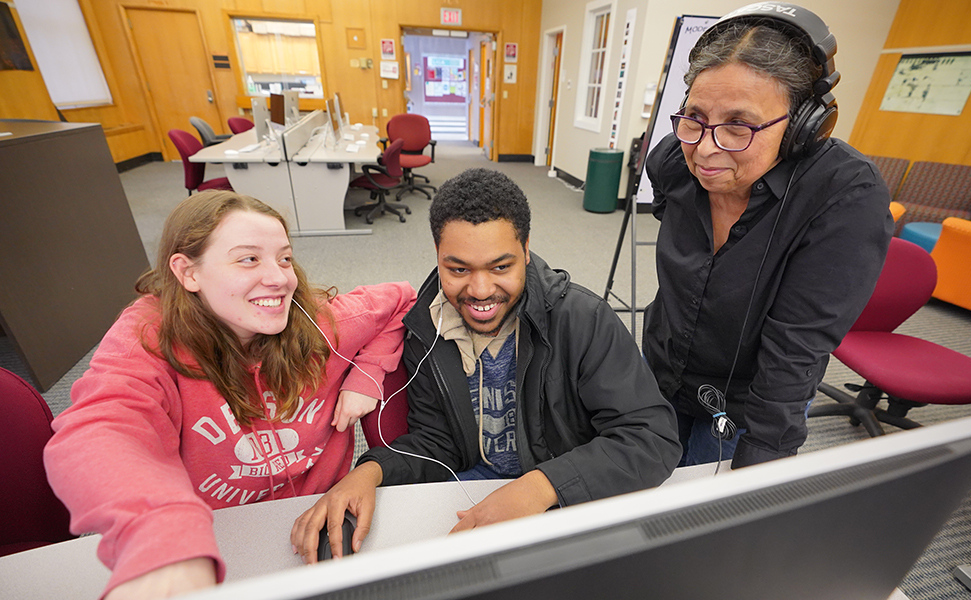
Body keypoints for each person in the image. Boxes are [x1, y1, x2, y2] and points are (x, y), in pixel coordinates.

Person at [291, 168, 682, 561]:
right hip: (475, 484)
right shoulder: (428, 328)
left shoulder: (583, 319)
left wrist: (540, 487)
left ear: (526, 250)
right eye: (458, 269)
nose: (480, 291)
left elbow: (652, 436)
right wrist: (369, 471)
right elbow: (436, 441)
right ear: (438, 255)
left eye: (500, 267)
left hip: (568, 488)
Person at [43, 191, 416, 599]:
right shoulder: (148, 342)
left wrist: (366, 374)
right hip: (219, 536)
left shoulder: (317, 324)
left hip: (321, 517)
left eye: (285, 258)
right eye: (248, 259)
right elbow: (104, 430)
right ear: (188, 272)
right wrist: (164, 540)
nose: (279, 278)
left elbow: (401, 298)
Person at [641, 4, 893, 469]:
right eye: (694, 118)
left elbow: (795, 349)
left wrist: (756, 473)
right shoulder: (674, 160)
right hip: (659, 374)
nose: (706, 149)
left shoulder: (843, 194)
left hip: (750, 402)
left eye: (739, 124)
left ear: (803, 126)